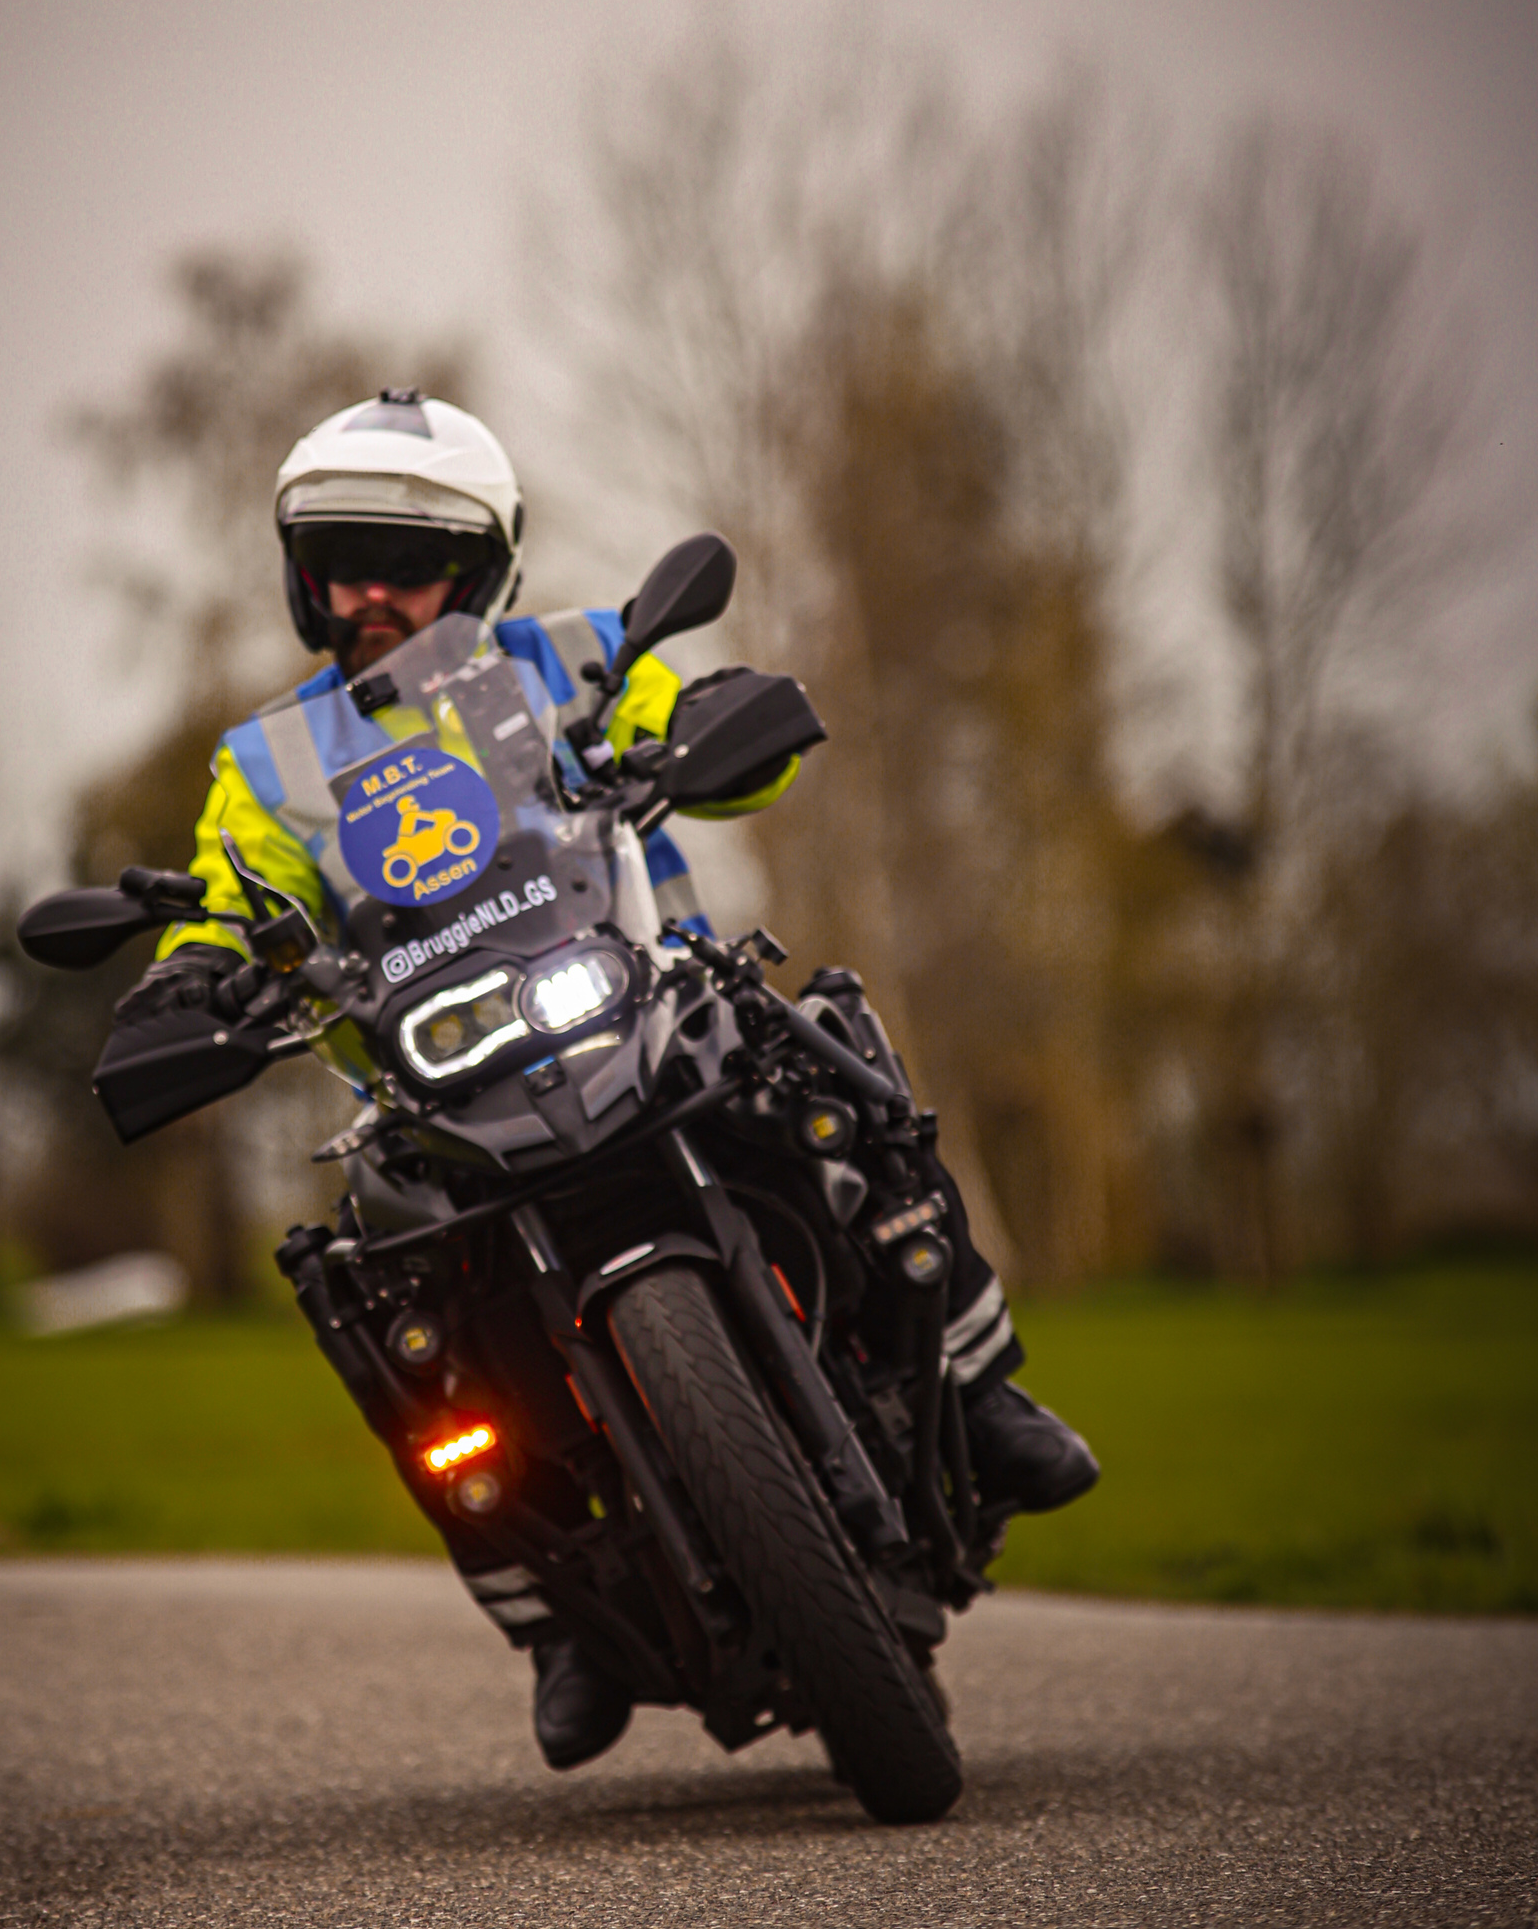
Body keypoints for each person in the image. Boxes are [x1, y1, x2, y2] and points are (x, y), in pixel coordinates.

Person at [109, 391, 1098, 1768]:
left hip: (646, 1002)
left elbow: (691, 731)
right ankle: (550, 1616)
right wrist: (192, 975)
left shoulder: (572, 657)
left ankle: (983, 1396)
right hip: (434, 1092)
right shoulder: (264, 767)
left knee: (832, 1060)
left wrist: (706, 723)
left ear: (484, 565)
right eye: (343, 558)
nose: (375, 590)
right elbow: (226, 902)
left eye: (412, 563)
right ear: (301, 574)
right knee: (378, 1314)